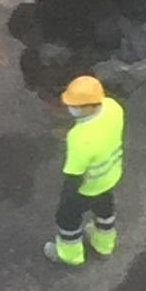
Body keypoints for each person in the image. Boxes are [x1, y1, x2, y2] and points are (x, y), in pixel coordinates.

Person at [46, 75, 125, 267]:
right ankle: (104, 245)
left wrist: (66, 198)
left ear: (89, 106)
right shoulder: (113, 108)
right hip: (110, 175)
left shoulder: (80, 138)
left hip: (87, 187)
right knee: (105, 210)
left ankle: (69, 255)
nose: (70, 108)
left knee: (67, 219)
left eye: (76, 105)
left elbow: (74, 175)